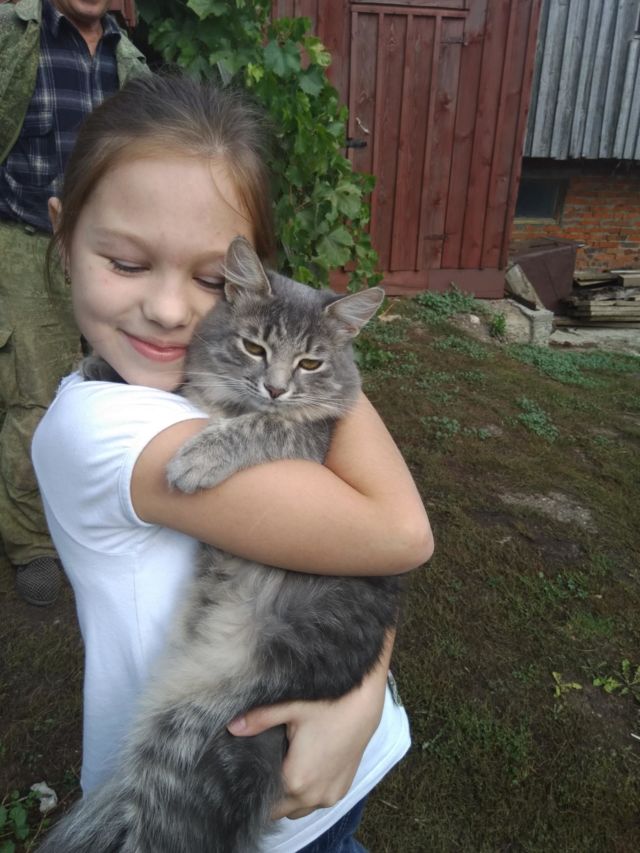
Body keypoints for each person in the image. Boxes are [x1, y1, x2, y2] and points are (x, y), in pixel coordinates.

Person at [32, 74, 434, 851]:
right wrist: (321, 367)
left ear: (251, 280)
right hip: (229, 780)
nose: (170, 311)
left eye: (212, 280)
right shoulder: (99, 429)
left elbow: (370, 554)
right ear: (63, 238)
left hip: (334, 760)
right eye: (125, 262)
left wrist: (362, 688)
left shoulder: (194, 369)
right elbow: (398, 533)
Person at [0, 0, 149, 606]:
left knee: (118, 382)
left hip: (109, 252)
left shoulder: (129, 59)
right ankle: (32, 542)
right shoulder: (13, 33)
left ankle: (101, 511)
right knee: (34, 397)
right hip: (25, 239)